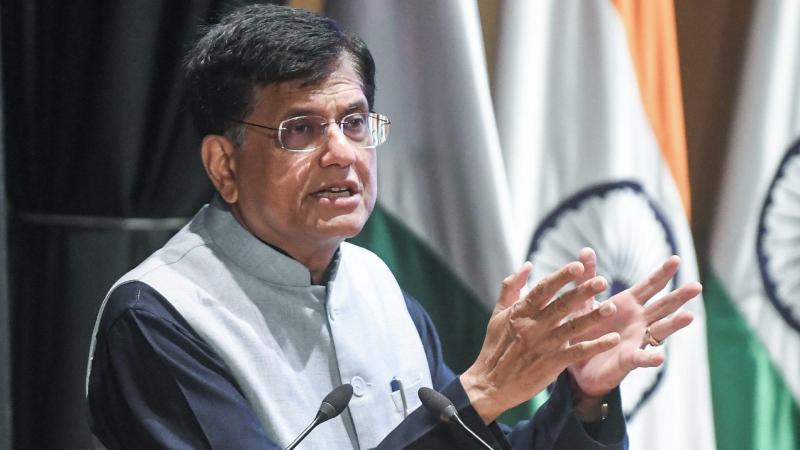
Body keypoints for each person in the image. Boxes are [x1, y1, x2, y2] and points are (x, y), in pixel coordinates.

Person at [85, 4, 700, 449]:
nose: (341, 153)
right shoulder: (157, 318)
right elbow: (455, 423)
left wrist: (585, 398)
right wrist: (479, 395)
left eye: (354, 123)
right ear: (224, 165)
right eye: (301, 130)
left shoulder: (374, 283)